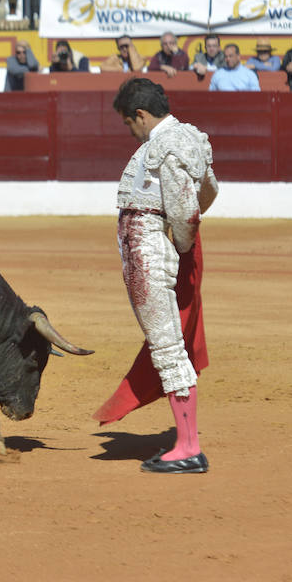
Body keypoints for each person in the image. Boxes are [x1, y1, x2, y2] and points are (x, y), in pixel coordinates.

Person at [96, 77, 218, 474]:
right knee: (166, 344)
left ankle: (188, 447)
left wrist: (180, 247)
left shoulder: (166, 144)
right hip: (148, 246)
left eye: (130, 124)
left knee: (167, 347)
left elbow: (185, 210)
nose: (130, 132)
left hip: (148, 251)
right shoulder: (187, 139)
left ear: (142, 115)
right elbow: (209, 191)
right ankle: (186, 443)